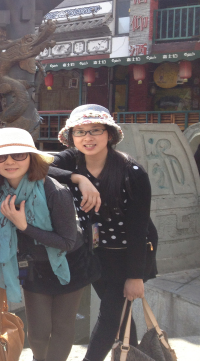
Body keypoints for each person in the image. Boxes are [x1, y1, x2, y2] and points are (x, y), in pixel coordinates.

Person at [0, 127, 100, 361]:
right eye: (1, 156)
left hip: (69, 263)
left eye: (18, 155)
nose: (10, 162)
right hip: (33, 265)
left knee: (62, 327)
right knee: (37, 332)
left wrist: (24, 226)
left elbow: (67, 242)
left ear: (31, 157)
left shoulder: (54, 190)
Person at [51, 104, 157, 361]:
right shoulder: (72, 161)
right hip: (95, 252)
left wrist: (135, 276)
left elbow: (139, 229)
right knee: (120, 316)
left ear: (109, 134)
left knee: (109, 316)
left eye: (95, 130)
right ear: (72, 137)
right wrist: (79, 179)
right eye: (80, 132)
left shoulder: (132, 172)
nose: (88, 137)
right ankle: (132, 356)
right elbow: (38, 166)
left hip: (128, 253)